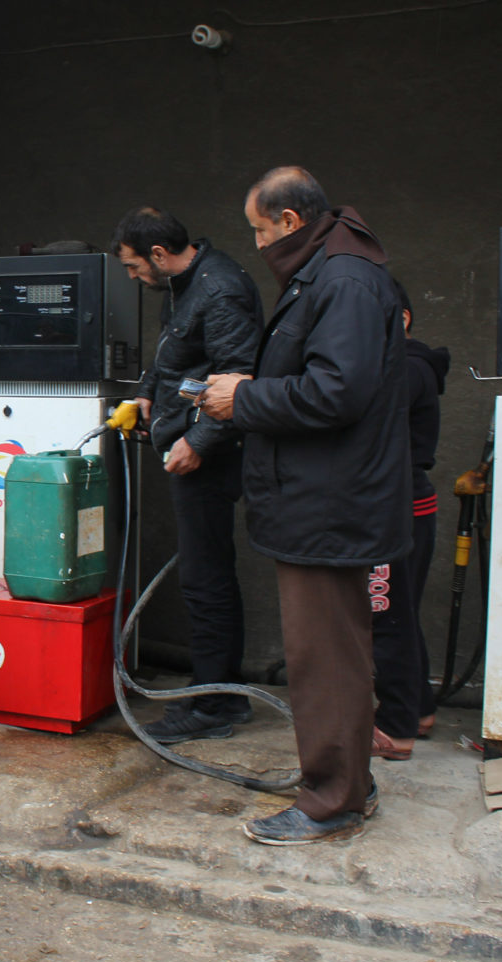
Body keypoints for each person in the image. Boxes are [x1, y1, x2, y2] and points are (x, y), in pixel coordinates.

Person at [200, 167, 410, 844]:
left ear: (290, 221)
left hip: (330, 503)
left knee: (326, 661)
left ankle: (332, 800)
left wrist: (244, 397)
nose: (257, 243)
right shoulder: (333, 267)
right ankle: (352, 783)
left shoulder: (343, 279)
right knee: (335, 653)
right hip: (326, 500)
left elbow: (336, 392)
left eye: (259, 230)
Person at [111, 206, 263, 743]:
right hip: (184, 443)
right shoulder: (183, 284)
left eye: (133, 267)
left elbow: (236, 376)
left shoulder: (220, 291)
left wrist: (197, 443)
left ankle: (216, 704)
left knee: (206, 578)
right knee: (202, 574)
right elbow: (175, 350)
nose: (132, 277)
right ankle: (215, 696)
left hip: (210, 457)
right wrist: (147, 390)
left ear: (158, 255)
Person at [369, 281, 450, 760]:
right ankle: (418, 708)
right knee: (400, 613)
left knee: (385, 616)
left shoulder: (406, 369)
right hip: (410, 506)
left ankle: (396, 727)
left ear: (401, 319)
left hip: (395, 509)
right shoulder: (412, 366)